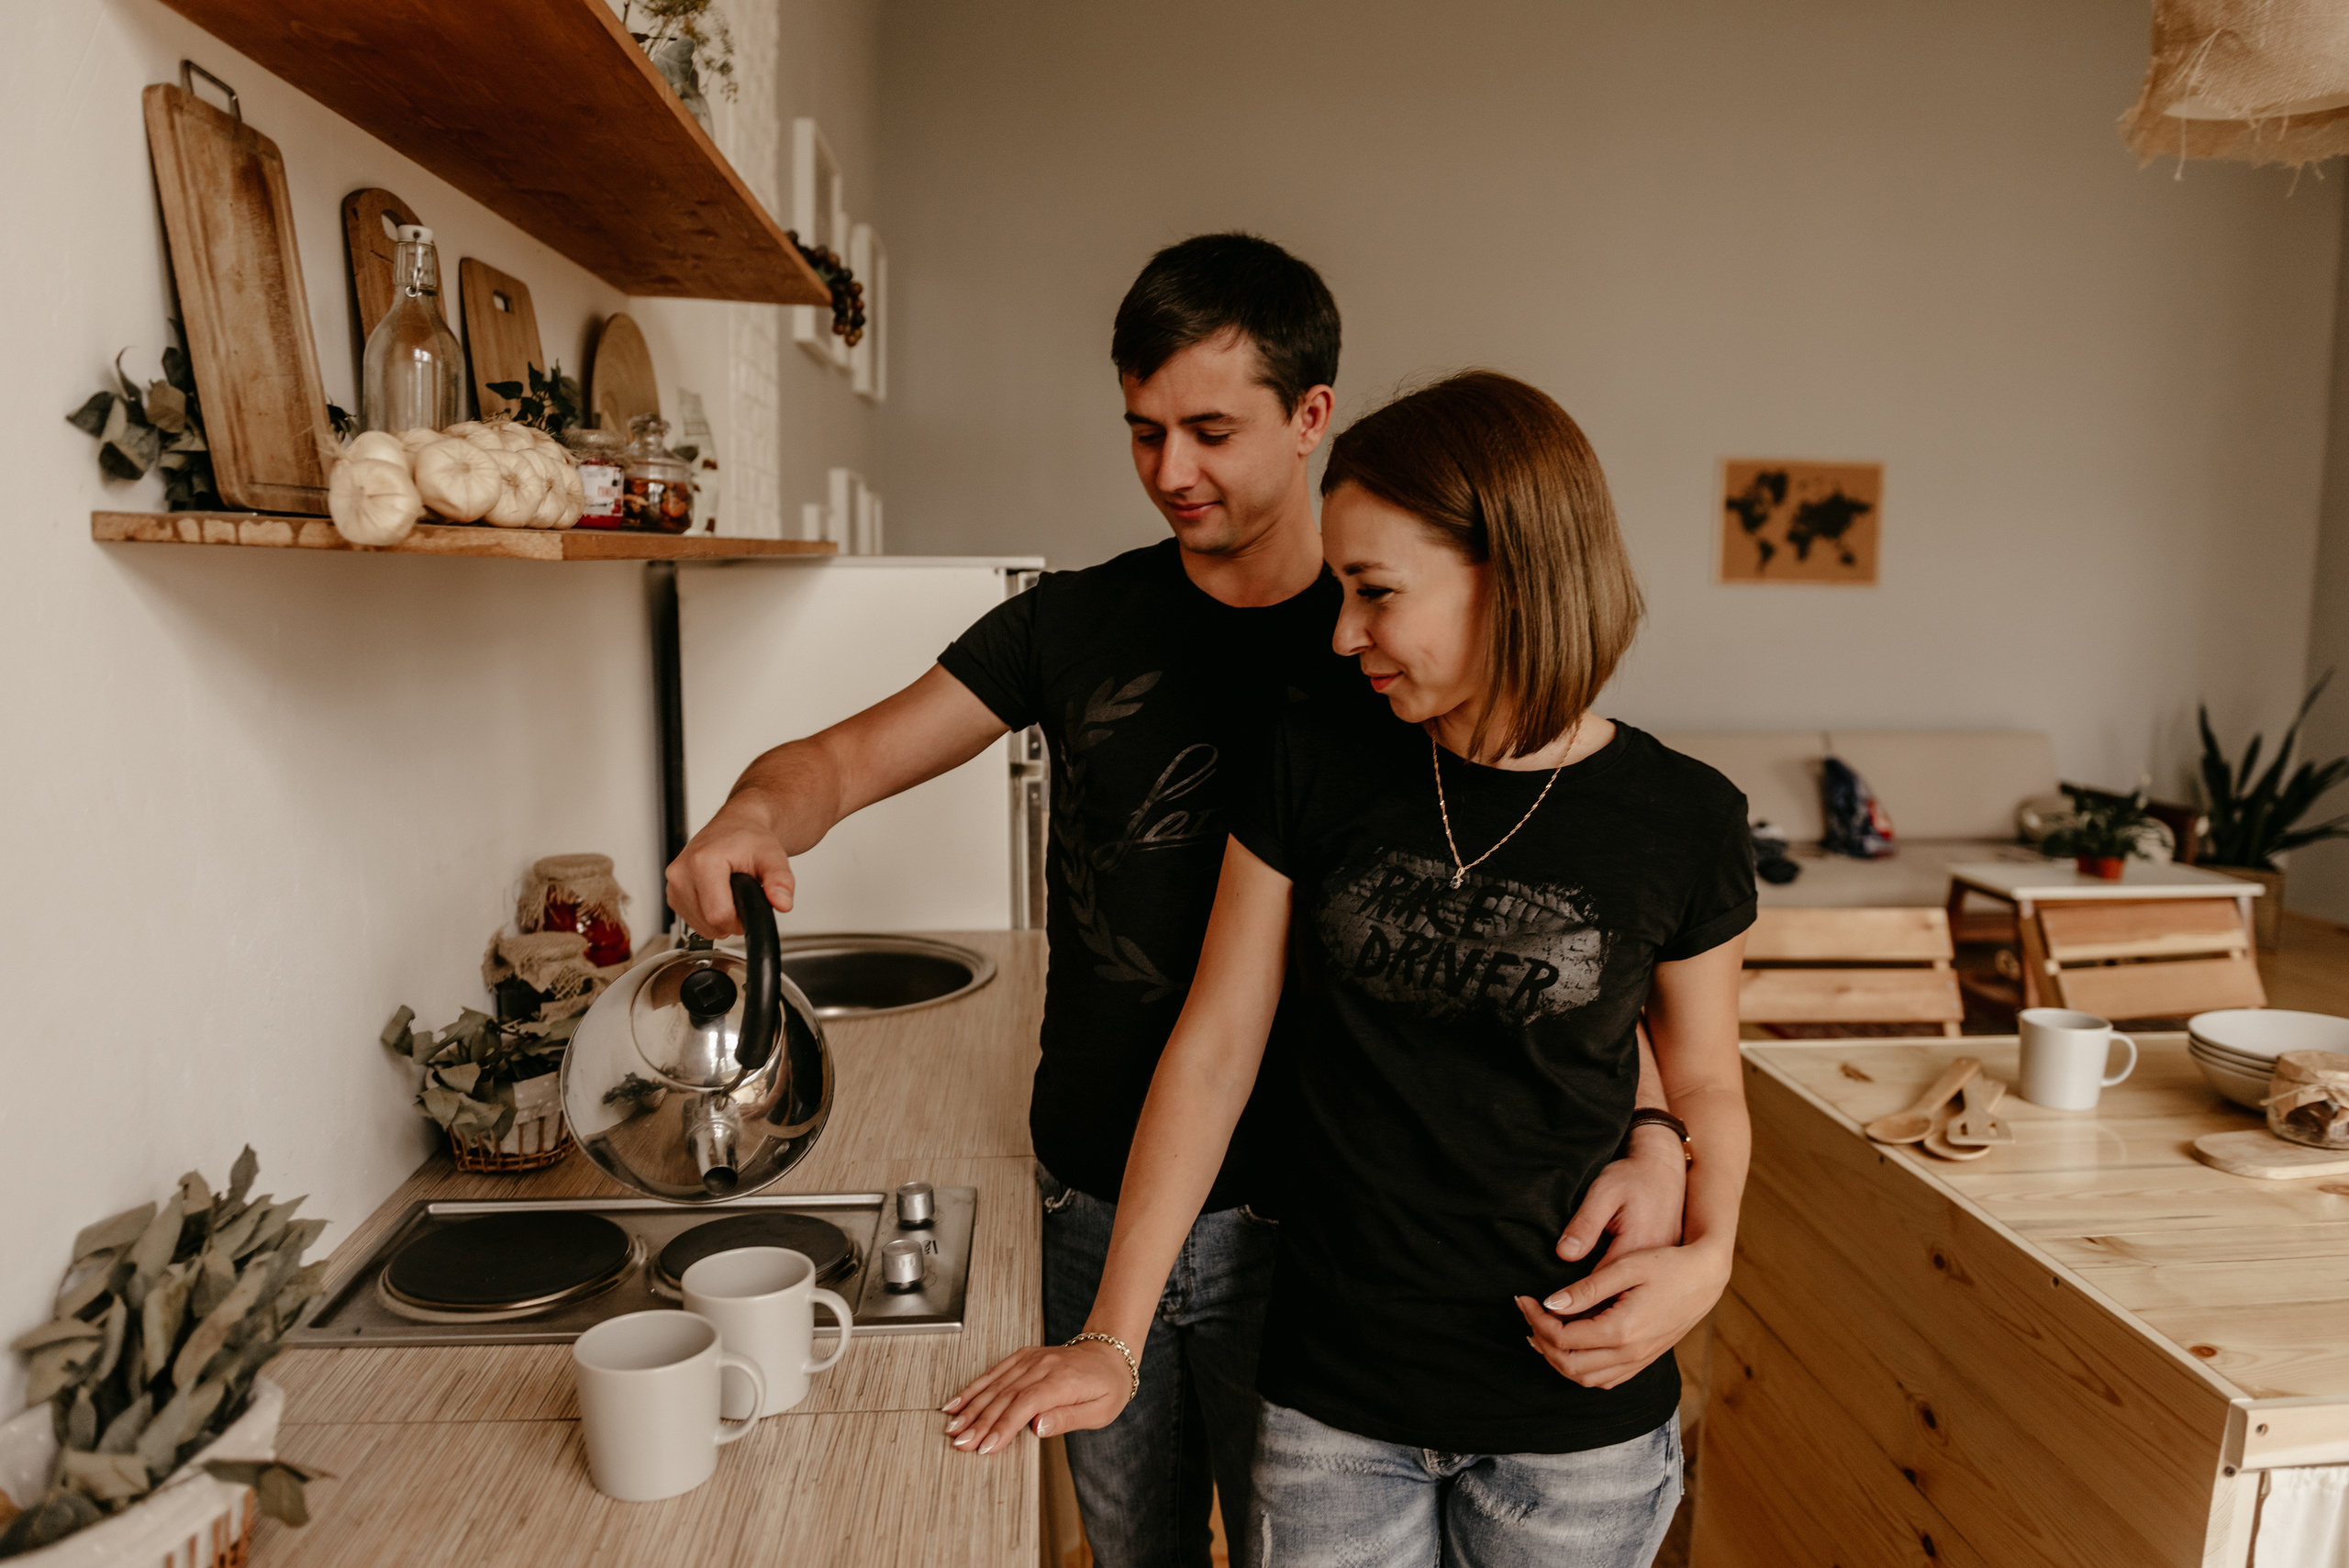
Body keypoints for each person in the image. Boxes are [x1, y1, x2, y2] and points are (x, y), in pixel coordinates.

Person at [666, 241, 1692, 1568]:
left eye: (1211, 430)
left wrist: (1658, 1127)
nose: (1169, 473)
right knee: (1134, 1548)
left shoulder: (1404, 635)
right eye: (1143, 432)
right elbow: (844, 759)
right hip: (1098, 1199)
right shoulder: (1071, 623)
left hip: (1325, 1233)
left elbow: (1571, 916)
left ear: (1311, 414)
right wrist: (756, 810)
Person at [941, 371, 1753, 1568]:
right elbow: (1215, 1047)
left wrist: (1710, 1256)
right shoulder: (1319, 760)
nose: (1341, 632)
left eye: (1375, 592)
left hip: (1571, 1421)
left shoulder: (1682, 817)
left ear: (1513, 576)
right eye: (1340, 588)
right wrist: (1112, 1341)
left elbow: (1708, 1088)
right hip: (1334, 1403)